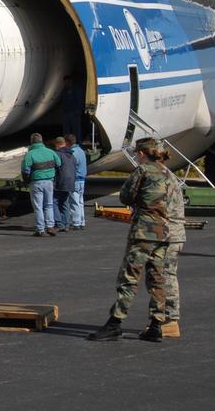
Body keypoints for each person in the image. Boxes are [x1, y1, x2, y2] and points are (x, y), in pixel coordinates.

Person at [87, 137, 181, 342]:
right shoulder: (167, 173)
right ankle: (156, 324)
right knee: (157, 279)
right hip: (163, 233)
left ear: (141, 153)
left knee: (129, 277)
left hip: (143, 232)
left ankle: (115, 323)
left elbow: (126, 196)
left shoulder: (143, 171)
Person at [157, 148, 186, 338]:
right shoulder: (166, 175)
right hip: (170, 232)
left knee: (166, 275)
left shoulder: (162, 177)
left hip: (168, 233)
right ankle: (166, 319)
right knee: (165, 274)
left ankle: (170, 319)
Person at [20, 133, 60, 237]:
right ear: (42, 141)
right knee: (49, 205)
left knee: (38, 206)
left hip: (36, 182)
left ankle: (40, 229)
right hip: (49, 182)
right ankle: (50, 226)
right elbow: (59, 164)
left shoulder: (30, 154)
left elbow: (25, 169)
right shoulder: (51, 152)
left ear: (32, 142)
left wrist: (27, 180)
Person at [52, 136, 76, 232]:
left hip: (61, 181)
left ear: (57, 144)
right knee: (65, 203)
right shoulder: (71, 154)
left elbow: (56, 167)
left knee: (54, 202)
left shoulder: (58, 154)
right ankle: (66, 223)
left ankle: (59, 223)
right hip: (70, 182)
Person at [66, 134, 88, 230]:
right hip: (82, 180)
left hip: (75, 179)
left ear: (67, 142)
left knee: (74, 202)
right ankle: (82, 221)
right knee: (80, 201)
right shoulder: (81, 151)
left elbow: (71, 167)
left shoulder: (72, 153)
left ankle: (76, 222)